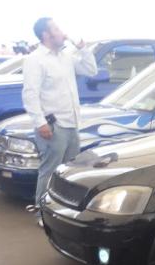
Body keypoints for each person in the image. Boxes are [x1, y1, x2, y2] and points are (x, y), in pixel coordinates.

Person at [22, 17, 98, 211]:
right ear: (46, 35)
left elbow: (91, 70)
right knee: (49, 171)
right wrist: (40, 123)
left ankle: (61, 211)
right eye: (56, 29)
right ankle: (41, 212)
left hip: (72, 123)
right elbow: (30, 94)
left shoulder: (66, 57)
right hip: (53, 126)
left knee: (69, 172)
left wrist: (83, 49)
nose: (62, 32)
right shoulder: (35, 59)